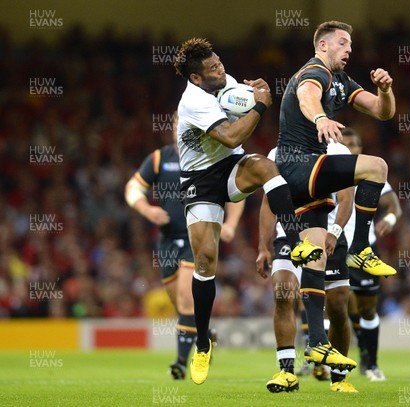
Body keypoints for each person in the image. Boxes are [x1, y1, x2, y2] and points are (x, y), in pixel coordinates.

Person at [173, 37, 324, 385]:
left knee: (267, 166)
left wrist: (255, 90)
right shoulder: (193, 100)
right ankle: (201, 343)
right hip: (199, 179)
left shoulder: (221, 80)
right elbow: (229, 135)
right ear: (196, 78)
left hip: (229, 165)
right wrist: (260, 106)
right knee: (206, 260)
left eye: (220, 62)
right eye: (212, 68)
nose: (221, 70)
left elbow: (239, 99)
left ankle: (298, 239)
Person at [274, 20, 397, 379]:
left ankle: (316, 340)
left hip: (305, 178)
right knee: (376, 167)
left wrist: (385, 90)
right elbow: (306, 96)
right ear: (323, 45)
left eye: (351, 45)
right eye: (342, 43)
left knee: (313, 257)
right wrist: (321, 117)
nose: (349, 49)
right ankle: (361, 247)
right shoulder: (315, 71)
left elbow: (381, 111)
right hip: (299, 163)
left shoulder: (344, 81)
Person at [125, 112, 244, 379]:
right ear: (174, 129)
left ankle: (180, 362)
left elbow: (238, 192)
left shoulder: (211, 153)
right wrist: (147, 210)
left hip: (199, 236)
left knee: (186, 299)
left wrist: (231, 225)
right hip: (167, 240)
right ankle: (206, 335)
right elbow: (132, 188)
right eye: (179, 124)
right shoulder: (160, 158)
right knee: (181, 306)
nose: (183, 128)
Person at [257, 141, 357, 393]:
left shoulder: (337, 151)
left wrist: (334, 231)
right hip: (288, 234)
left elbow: (346, 199)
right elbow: (270, 203)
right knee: (283, 293)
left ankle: (338, 379)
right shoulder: (276, 153)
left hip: (328, 235)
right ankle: (286, 372)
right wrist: (263, 246)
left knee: (337, 306)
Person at [341, 128, 401, 381]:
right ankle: (326, 362)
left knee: (367, 308)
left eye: (354, 144)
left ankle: (371, 362)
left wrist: (388, 219)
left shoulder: (370, 173)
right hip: (336, 247)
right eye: (345, 144)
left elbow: (394, 206)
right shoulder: (327, 173)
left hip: (365, 250)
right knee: (337, 303)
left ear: (360, 149)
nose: (350, 148)